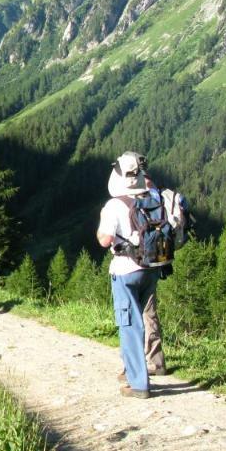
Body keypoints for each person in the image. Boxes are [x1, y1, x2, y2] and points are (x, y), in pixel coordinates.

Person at [97, 151, 165, 399]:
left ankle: (139, 384)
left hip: (125, 271)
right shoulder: (153, 197)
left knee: (129, 324)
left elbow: (104, 240)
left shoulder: (114, 205)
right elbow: (152, 186)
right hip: (150, 267)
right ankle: (135, 370)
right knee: (146, 318)